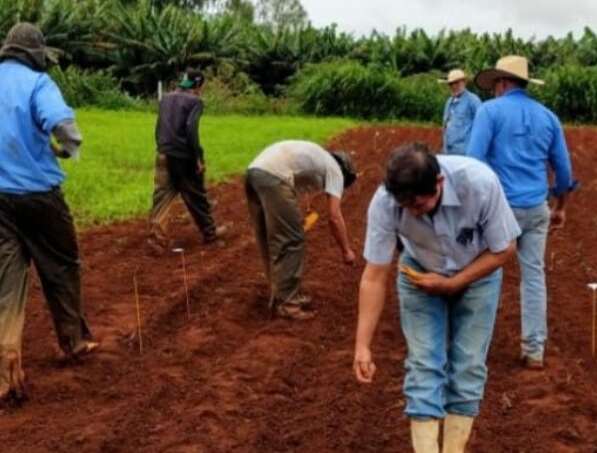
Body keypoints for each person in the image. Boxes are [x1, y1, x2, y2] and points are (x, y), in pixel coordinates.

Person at [0, 22, 98, 404]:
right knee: (61, 267)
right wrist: (67, 148)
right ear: (35, 55)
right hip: (39, 196)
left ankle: (5, 372)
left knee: (1, 286)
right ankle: (73, 342)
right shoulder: (38, 83)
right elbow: (64, 127)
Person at [353, 143, 520, 453]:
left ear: (439, 183)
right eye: (406, 207)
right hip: (418, 271)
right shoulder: (385, 203)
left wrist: (455, 282)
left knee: (468, 365)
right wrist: (362, 345)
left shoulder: (479, 183)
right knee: (424, 363)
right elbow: (374, 275)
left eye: (420, 204)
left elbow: (504, 248)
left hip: (478, 270)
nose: (413, 212)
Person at [466, 54, 577, 369]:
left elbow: (474, 162)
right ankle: (534, 350)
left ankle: (475, 349)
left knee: (486, 275)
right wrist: (560, 207)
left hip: (499, 209)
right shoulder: (548, 117)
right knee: (533, 276)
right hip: (536, 207)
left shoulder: (489, 112)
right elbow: (564, 172)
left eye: (494, 85)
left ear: (501, 82)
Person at [244, 140, 357, 320]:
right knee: (292, 239)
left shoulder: (319, 158)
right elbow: (334, 216)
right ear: (345, 173)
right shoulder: (335, 171)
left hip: (254, 172)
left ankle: (280, 294)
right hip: (273, 176)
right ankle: (288, 303)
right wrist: (346, 251)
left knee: (268, 237)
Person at [150, 69, 227, 248]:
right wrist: (198, 157)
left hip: (163, 153)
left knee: (162, 195)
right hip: (182, 155)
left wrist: (161, 147)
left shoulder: (166, 98)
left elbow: (159, 126)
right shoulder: (195, 101)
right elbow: (191, 129)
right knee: (195, 194)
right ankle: (210, 234)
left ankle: (156, 237)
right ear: (198, 85)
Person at [438, 69, 481, 155]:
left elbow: (482, 125)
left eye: (456, 83)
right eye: (451, 84)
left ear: (464, 82)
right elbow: (445, 127)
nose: (453, 86)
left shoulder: (473, 100)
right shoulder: (449, 102)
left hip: (465, 154)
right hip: (448, 153)